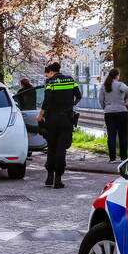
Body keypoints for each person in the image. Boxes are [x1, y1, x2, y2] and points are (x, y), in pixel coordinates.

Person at [38, 61, 81, 189]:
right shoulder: (70, 80)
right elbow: (79, 96)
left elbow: (46, 101)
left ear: (51, 71)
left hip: (51, 120)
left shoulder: (50, 83)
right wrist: (71, 105)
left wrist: (40, 115)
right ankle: (58, 179)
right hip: (66, 120)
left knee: (51, 148)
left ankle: (49, 177)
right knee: (61, 149)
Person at [98, 67, 128, 163]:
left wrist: (105, 108)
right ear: (117, 76)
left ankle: (112, 158)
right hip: (122, 111)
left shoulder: (104, 86)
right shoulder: (120, 85)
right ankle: (123, 157)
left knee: (111, 135)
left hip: (109, 113)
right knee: (123, 135)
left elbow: (100, 99)